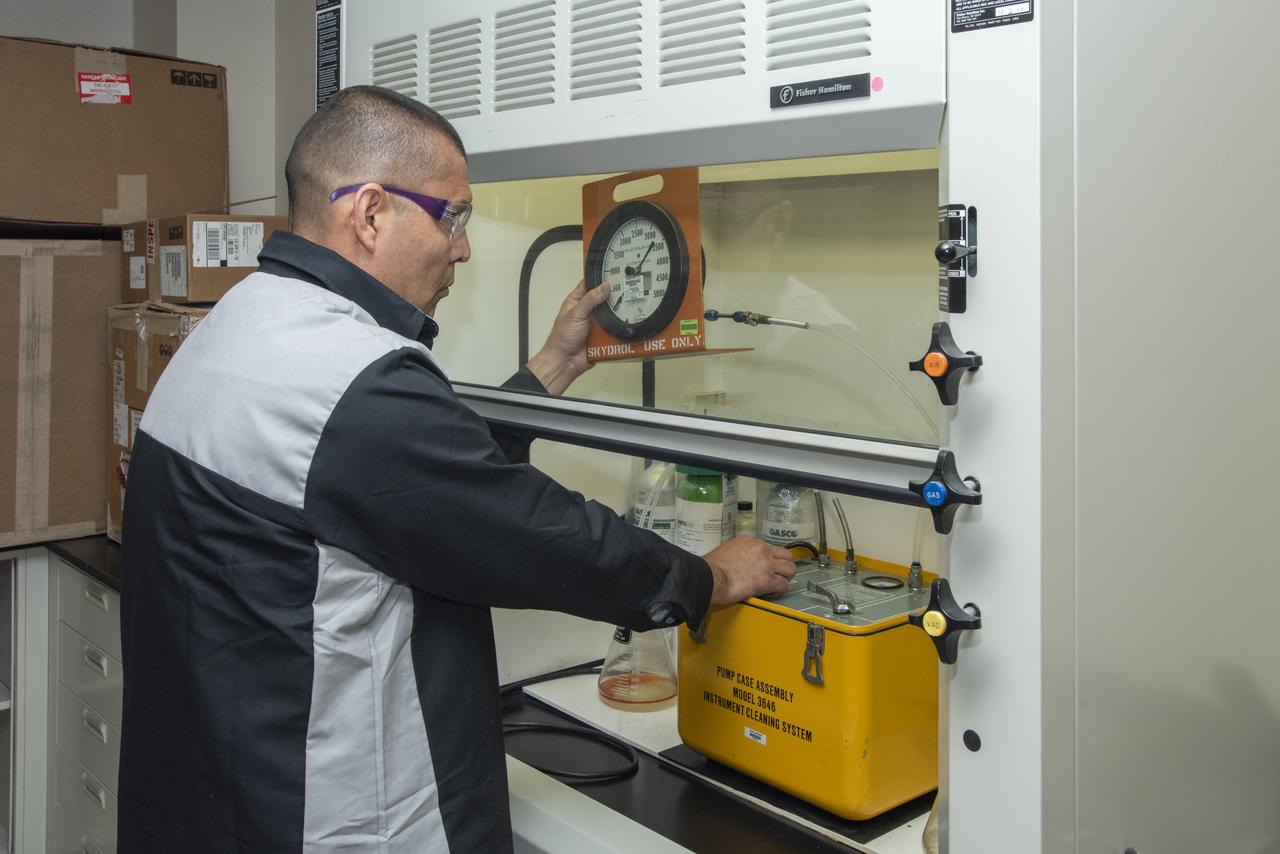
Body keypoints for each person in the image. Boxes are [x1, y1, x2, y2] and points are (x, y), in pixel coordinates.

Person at [117, 85, 796, 853]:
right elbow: (540, 534)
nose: (463, 247)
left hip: (214, 793)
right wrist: (708, 579)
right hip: (323, 816)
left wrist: (549, 369)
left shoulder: (243, 326)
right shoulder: (351, 380)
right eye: (453, 216)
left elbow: (422, 488)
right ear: (370, 212)